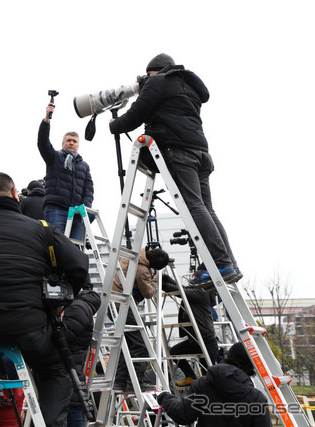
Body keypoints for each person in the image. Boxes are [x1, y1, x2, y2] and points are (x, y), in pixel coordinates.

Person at [0, 172, 90, 427]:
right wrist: (61, 304)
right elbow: (79, 266)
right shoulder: (41, 229)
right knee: (56, 371)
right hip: (29, 330)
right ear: (15, 194)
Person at [108, 53, 241, 287]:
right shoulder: (187, 86)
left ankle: (221, 262)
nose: (145, 82)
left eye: (148, 77)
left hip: (178, 150)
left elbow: (135, 115)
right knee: (206, 207)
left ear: (157, 71)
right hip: (200, 152)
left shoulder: (160, 82)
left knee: (194, 206)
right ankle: (228, 262)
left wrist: (114, 125)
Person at [156, 341, 271, 426]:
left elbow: (183, 415)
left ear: (228, 357)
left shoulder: (202, 384)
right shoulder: (256, 397)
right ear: (253, 365)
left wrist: (165, 397)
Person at [112, 247, 169, 391]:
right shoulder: (142, 269)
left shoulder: (131, 255)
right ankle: (135, 382)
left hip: (113, 304)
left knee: (128, 345)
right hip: (124, 306)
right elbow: (148, 293)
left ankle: (120, 382)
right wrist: (155, 281)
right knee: (141, 344)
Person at [38, 102, 94, 239]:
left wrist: (85, 209)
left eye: (74, 141)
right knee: (57, 245)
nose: (71, 143)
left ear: (78, 145)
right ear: (63, 143)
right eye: (68, 140)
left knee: (75, 250)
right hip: (56, 209)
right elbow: (42, 143)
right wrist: (46, 119)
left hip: (76, 213)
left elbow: (88, 189)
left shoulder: (84, 166)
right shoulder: (55, 157)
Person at [161, 276, 218, 387]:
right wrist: (166, 278)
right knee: (175, 351)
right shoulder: (197, 292)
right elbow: (182, 288)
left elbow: (180, 291)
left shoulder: (202, 293)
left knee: (208, 375)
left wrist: (161, 284)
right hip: (195, 340)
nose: (191, 280)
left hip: (206, 340)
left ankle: (211, 397)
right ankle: (190, 377)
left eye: (193, 279)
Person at [62, 287, 101, 427]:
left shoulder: (78, 308)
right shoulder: (83, 309)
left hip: (68, 378)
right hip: (73, 378)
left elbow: (63, 337)